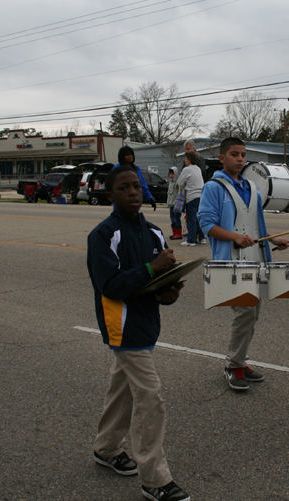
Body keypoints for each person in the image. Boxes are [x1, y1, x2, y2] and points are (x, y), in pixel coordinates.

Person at [87, 166, 190, 501]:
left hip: (146, 324)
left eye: (136, 186)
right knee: (149, 396)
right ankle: (155, 479)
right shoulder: (104, 235)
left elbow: (156, 284)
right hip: (121, 325)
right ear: (110, 195)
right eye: (123, 188)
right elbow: (110, 285)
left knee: (123, 390)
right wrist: (150, 268)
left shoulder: (156, 233)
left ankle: (106, 448)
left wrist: (167, 293)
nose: (132, 192)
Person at [197, 137, 289, 391]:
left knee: (253, 314)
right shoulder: (213, 187)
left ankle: (240, 361)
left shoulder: (251, 187)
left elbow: (255, 224)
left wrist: (273, 239)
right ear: (222, 158)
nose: (240, 159)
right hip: (231, 263)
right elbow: (206, 225)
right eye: (234, 154)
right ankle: (233, 365)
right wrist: (235, 237)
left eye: (243, 155)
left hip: (256, 260)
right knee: (245, 312)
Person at [111, 145, 156, 211]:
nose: (130, 156)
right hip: (121, 202)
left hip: (134, 200)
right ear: (122, 156)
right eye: (127, 155)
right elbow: (111, 185)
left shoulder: (137, 169)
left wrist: (150, 198)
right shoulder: (116, 169)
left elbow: (142, 185)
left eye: (131, 154)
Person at [177, 150, 205, 246]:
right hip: (201, 195)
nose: (185, 160)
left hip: (191, 196)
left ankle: (191, 240)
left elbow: (180, 183)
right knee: (199, 218)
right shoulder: (198, 169)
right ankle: (202, 237)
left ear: (189, 160)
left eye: (186, 158)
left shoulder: (186, 169)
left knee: (191, 219)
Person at [166, 167, 182, 240]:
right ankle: (174, 233)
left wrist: (176, 201)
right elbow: (169, 194)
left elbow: (179, 193)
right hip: (171, 204)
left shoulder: (178, 183)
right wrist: (168, 202)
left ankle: (179, 234)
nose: (171, 175)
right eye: (170, 174)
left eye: (172, 174)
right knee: (172, 219)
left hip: (177, 204)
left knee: (176, 219)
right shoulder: (170, 183)